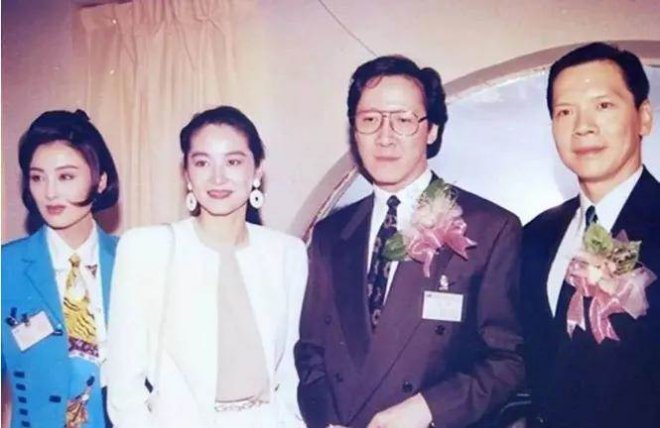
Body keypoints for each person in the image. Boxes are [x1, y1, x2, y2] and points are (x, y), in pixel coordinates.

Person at [295, 55, 524, 428]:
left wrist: (429, 409)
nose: (385, 137)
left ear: (431, 129)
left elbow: (508, 361)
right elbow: (311, 352)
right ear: (354, 129)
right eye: (370, 119)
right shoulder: (330, 234)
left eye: (403, 120)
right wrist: (326, 420)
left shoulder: (489, 228)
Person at [106, 105, 307, 427]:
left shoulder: (287, 253)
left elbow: (293, 371)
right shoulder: (146, 249)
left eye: (233, 161)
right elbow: (123, 388)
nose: (218, 177)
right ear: (187, 174)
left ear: (257, 171)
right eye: (202, 162)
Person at [521, 42, 660, 428]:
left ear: (643, 118)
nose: (583, 126)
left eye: (603, 105)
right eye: (565, 112)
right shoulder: (535, 234)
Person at [1, 109, 121, 428]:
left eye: (66, 177)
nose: (50, 192)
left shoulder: (132, 260)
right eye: (37, 177)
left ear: (100, 180)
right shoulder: (6, 267)